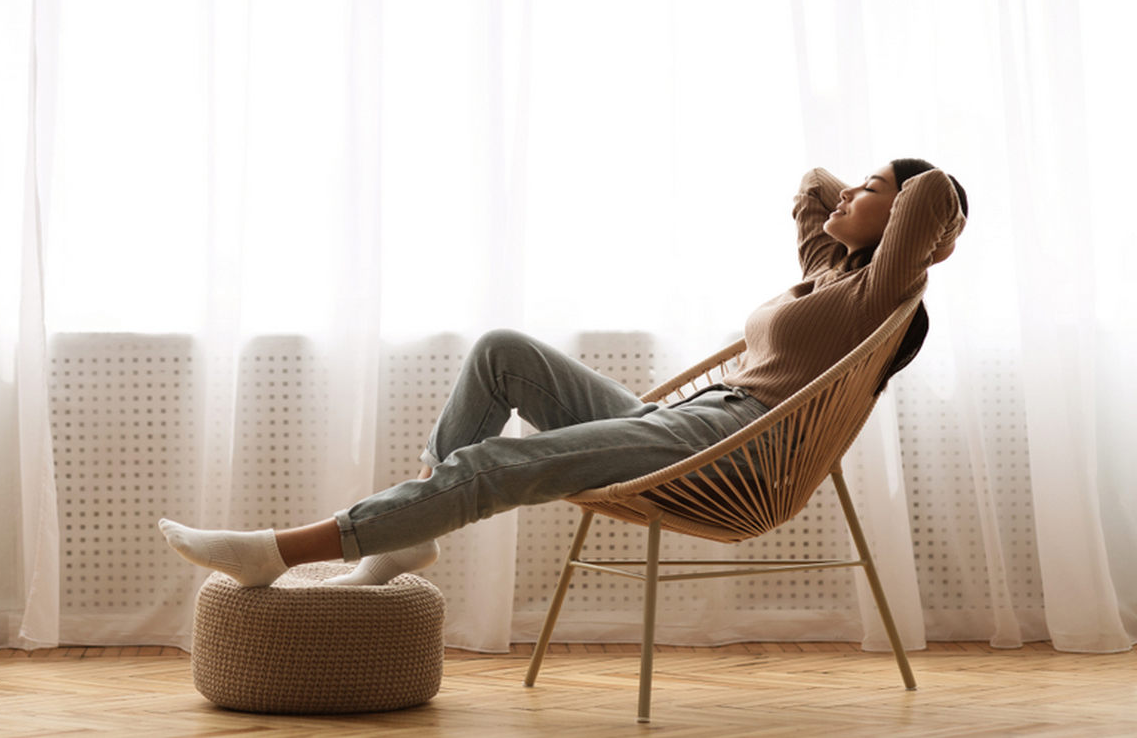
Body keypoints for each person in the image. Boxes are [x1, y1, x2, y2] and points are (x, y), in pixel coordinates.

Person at [160, 158, 969, 588]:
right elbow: (809, 183)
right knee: (502, 350)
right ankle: (408, 541)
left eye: (874, 190)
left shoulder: (879, 292)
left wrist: (933, 220)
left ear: (905, 225)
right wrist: (856, 195)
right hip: (688, 423)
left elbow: (932, 190)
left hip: (734, 447)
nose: (850, 191)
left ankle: (283, 550)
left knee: (490, 465)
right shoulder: (831, 273)